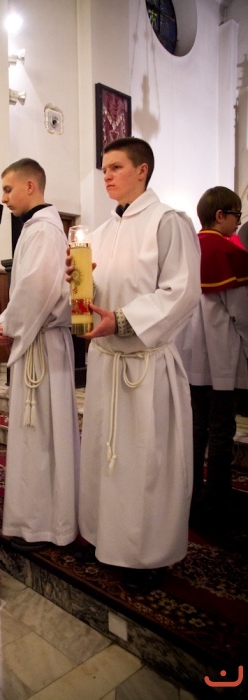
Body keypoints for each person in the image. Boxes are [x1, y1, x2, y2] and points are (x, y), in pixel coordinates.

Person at [67, 137, 201, 591]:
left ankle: (147, 556)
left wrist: (122, 320)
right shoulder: (101, 232)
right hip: (107, 364)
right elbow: (94, 294)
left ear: (142, 171)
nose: (106, 175)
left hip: (145, 368)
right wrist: (78, 285)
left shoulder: (168, 222)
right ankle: (106, 539)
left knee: (146, 464)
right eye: (104, 168)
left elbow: (181, 292)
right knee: (106, 459)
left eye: (116, 167)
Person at [0, 158, 80, 550]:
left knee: (42, 434)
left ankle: (45, 525)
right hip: (40, 341)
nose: (4, 197)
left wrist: (9, 326)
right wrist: (9, 320)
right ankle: (38, 519)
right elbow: (29, 289)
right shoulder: (36, 227)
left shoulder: (43, 229)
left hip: (42, 344)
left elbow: (37, 288)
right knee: (39, 432)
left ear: (30, 186)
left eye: (8, 189)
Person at [176, 187, 248, 527]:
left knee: (195, 428)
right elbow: (241, 315)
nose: (238, 223)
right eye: (236, 215)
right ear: (220, 215)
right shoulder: (230, 252)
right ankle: (217, 504)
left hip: (190, 357)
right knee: (221, 429)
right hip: (221, 357)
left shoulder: (186, 249)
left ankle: (189, 500)